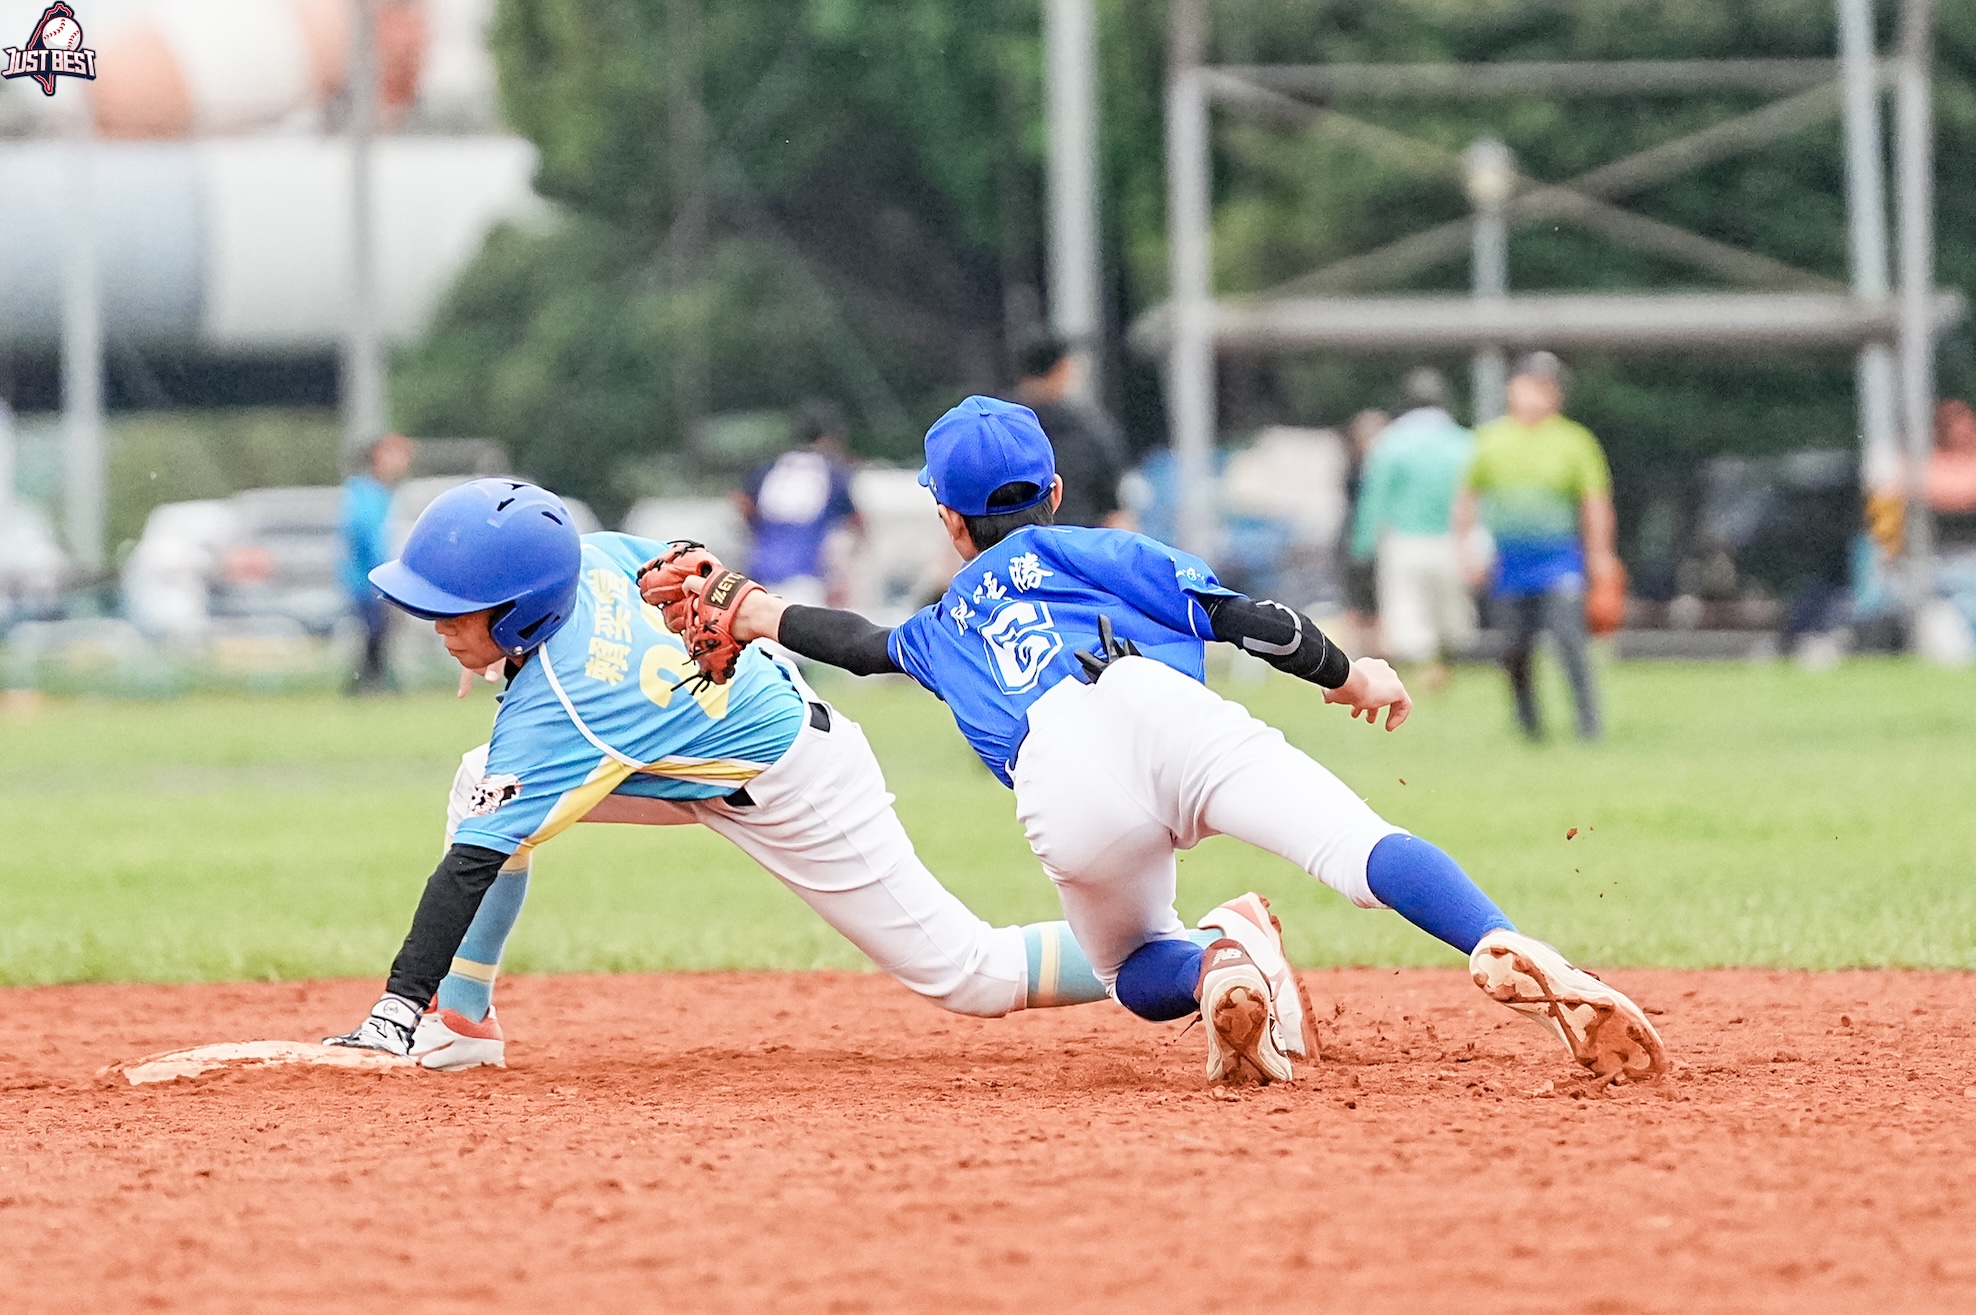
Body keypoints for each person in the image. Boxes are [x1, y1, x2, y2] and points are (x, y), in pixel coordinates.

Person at [651, 397, 1667, 1086]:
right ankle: (1494, 937)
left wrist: (748, 611)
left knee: (1133, 960)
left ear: (946, 519)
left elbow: (861, 647)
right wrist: (1349, 672)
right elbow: (1245, 618)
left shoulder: (944, 617)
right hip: (1164, 715)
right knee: (1354, 847)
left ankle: (1217, 969)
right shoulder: (1095, 546)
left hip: (1059, 781)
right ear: (1050, 493)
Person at [321, 478, 1251, 1070]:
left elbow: (470, 866)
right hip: (706, 737)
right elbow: (671, 567)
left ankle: (1205, 944)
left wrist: (389, 1007)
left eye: (458, 612)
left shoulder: (562, 707)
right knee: (481, 779)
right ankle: (465, 1024)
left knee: (968, 974)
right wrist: (492, 647)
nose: (435, 621)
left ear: (523, 614)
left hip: (797, 779)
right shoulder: (588, 559)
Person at [1455, 352, 1616, 742]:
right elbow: (1467, 500)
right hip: (1509, 559)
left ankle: (1588, 721)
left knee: (1569, 639)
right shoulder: (1490, 440)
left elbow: (1594, 503)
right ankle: (1528, 722)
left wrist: (1600, 556)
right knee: (1513, 646)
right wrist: (1466, 550)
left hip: (1557, 555)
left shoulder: (1575, 441)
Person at [1350, 369, 1477, 686]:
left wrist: (1363, 545)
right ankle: (1445, 663)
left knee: (1408, 609)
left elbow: (1374, 499)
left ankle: (1427, 667)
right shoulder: (1465, 442)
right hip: (1453, 539)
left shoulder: (1391, 443)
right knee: (1451, 610)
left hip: (1404, 540)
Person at [735, 401, 862, 607]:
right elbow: (856, 524)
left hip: (759, 578)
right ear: (829, 438)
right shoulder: (833, 474)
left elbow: (743, 503)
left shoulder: (770, 469)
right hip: (808, 580)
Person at [1013, 334, 1133, 530]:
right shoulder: (1090, 430)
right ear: (1062, 369)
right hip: (1077, 549)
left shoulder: (995, 427)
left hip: (1009, 552)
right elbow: (1115, 514)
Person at [340, 432, 413, 694]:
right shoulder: (366, 493)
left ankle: (372, 687)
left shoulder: (380, 493)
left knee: (377, 638)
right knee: (375, 635)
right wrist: (387, 572)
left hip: (374, 578)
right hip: (368, 580)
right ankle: (369, 688)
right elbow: (365, 534)